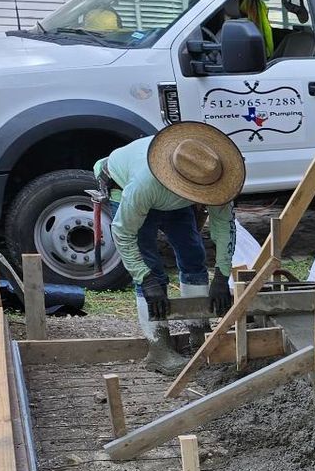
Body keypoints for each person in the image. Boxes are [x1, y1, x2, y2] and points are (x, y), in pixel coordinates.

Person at [95, 123, 244, 375]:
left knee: (193, 255)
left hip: (172, 196)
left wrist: (222, 274)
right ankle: (158, 349)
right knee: (151, 266)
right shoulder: (145, 185)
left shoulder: (213, 174)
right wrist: (144, 278)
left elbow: (223, 226)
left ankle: (199, 333)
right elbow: (123, 232)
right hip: (123, 183)